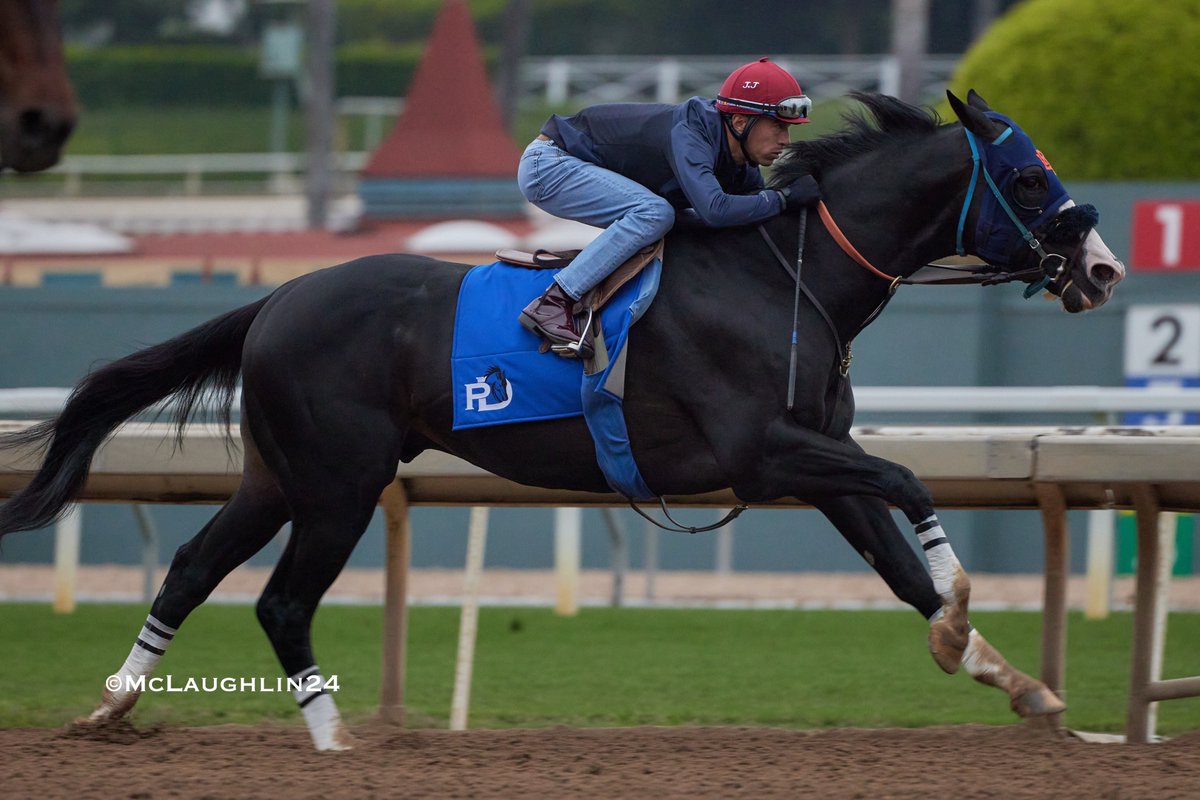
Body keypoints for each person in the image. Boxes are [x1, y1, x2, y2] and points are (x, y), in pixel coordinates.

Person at [516, 57, 821, 357]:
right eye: (779, 127)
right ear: (740, 122)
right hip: (550, 165)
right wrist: (782, 198)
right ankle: (555, 302)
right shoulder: (691, 133)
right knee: (655, 214)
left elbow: (747, 216)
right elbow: (716, 210)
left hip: (576, 166)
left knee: (672, 219)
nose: (786, 140)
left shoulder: (741, 164)